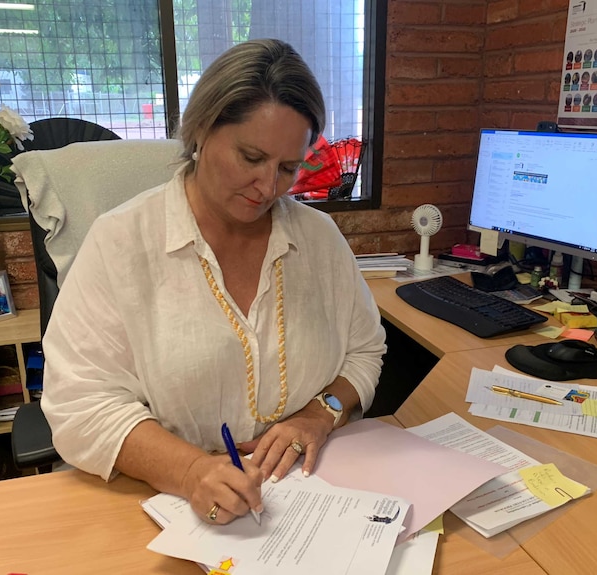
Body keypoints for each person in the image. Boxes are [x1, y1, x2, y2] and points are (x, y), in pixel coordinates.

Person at [40, 39, 386, 527]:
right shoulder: (121, 243)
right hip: (168, 509)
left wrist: (321, 412)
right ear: (201, 129)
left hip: (317, 501)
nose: (268, 188)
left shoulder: (318, 239)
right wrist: (190, 471)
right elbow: (79, 404)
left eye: (288, 168)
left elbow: (365, 350)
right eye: (250, 157)